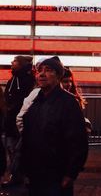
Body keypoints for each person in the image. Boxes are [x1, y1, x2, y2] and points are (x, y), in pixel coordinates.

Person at [21, 56, 88, 196]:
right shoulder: (36, 101)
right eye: (39, 70)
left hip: (57, 175)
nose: (42, 74)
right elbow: (28, 135)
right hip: (36, 174)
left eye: (48, 70)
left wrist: (71, 174)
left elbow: (78, 142)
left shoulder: (68, 103)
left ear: (58, 76)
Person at [3, 55, 35, 186]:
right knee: (12, 149)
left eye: (15, 61)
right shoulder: (13, 80)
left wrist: (11, 109)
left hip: (20, 122)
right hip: (11, 121)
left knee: (19, 151)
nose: (12, 62)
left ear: (21, 64)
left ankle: (22, 177)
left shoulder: (27, 80)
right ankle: (18, 177)